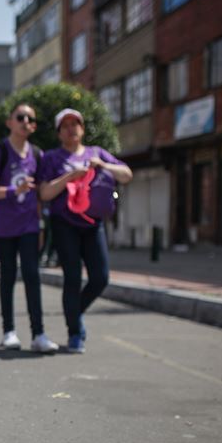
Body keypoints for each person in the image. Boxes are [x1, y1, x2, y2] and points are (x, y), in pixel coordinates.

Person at [38, 108, 132, 354]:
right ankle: (75, 333)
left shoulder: (97, 153)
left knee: (100, 277)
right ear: (59, 133)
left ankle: (74, 311)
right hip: (64, 224)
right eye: (66, 125)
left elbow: (127, 175)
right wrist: (70, 176)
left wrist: (103, 165)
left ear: (82, 128)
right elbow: (45, 193)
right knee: (72, 277)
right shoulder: (51, 158)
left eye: (76, 124)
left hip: (93, 224)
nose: (72, 128)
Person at [0, 104, 58, 353]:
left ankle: (39, 334)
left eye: (30, 118)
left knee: (32, 276)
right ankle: (9, 331)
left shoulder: (37, 154)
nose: (26, 121)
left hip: (29, 225)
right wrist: (16, 190)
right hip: (4, 226)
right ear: (9, 122)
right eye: (20, 117)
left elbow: (43, 190)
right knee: (8, 277)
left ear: (33, 126)